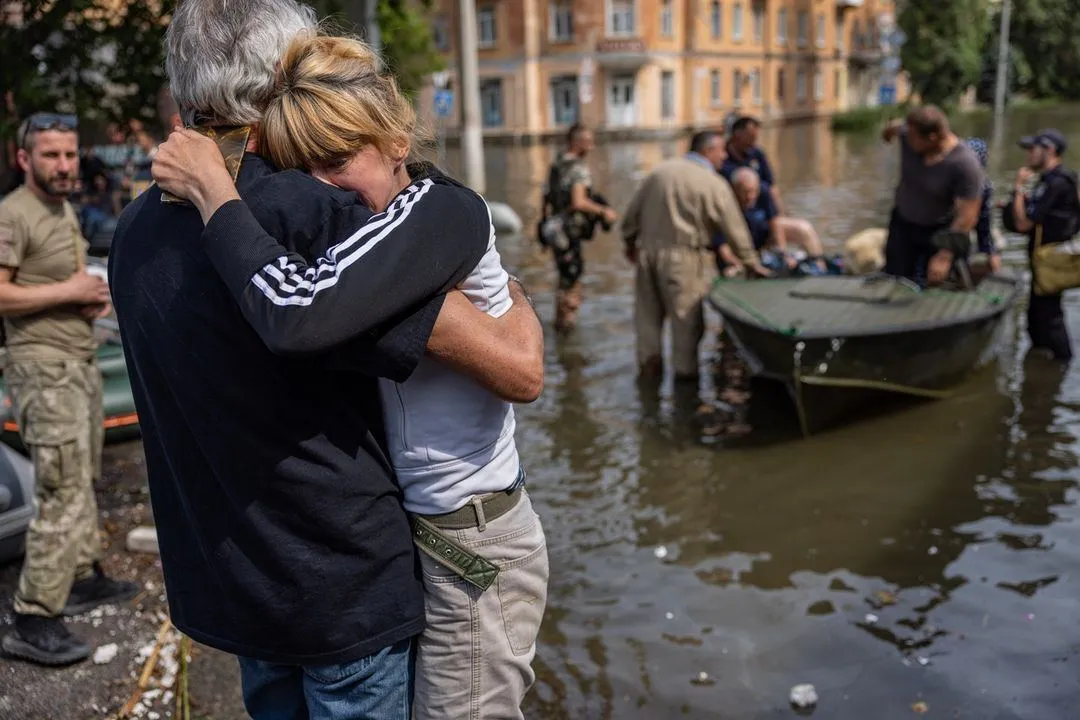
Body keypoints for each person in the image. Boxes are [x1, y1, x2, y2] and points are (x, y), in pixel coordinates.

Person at [109, 1, 543, 717]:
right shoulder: (312, 213)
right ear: (286, 76)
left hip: (236, 584)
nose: (329, 176)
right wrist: (519, 309)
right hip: (342, 589)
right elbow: (513, 363)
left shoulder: (136, 227)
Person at [0, 112, 137, 667]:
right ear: (24, 159)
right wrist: (69, 290)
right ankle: (33, 618)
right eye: (51, 155)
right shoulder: (13, 214)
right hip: (43, 370)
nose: (64, 165)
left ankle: (78, 578)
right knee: (59, 488)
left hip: (76, 364)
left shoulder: (61, 209)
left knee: (81, 477)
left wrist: (85, 298)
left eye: (70, 154)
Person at [621, 130, 765, 381]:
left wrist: (630, 243)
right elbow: (736, 230)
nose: (724, 156)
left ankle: (649, 381)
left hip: (647, 255)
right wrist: (752, 263)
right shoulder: (713, 183)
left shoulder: (659, 172)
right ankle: (684, 391)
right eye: (721, 151)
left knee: (647, 324)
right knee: (686, 327)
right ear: (708, 151)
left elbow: (629, 219)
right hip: (685, 258)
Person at [881, 106, 984, 285]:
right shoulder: (908, 134)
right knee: (895, 279)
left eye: (913, 138)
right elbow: (896, 129)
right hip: (903, 224)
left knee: (937, 283)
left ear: (932, 138)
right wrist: (888, 132)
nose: (907, 140)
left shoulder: (964, 165)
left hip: (939, 231)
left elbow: (968, 216)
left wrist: (944, 255)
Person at [1004, 129, 1079, 361]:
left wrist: (1018, 189)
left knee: (1049, 319)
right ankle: (1042, 377)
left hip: (1050, 261)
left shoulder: (1056, 183)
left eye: (1032, 149)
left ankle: (1063, 370)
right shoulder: (1051, 181)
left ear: (1049, 151)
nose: (1028, 155)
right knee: (1035, 321)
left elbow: (1025, 223)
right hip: (1044, 259)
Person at [542, 123, 616, 332]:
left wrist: (543, 224)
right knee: (572, 284)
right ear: (577, 142)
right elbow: (579, 202)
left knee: (563, 280)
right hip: (569, 233)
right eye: (589, 142)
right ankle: (568, 331)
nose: (592, 147)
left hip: (555, 231)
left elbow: (545, 198)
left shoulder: (557, 164)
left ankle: (559, 326)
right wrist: (604, 212)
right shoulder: (578, 168)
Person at [716, 167, 827, 275]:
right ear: (735, 190)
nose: (750, 197)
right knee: (732, 271)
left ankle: (820, 266)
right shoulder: (725, 202)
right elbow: (722, 244)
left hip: (763, 241)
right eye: (745, 192)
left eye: (753, 192)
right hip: (739, 249)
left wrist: (782, 254)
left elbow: (775, 222)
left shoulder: (763, 192)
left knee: (804, 228)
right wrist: (736, 262)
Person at [964, 137, 1004, 270]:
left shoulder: (983, 186)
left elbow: (983, 220)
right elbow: (983, 222)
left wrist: (989, 251)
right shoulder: (983, 185)